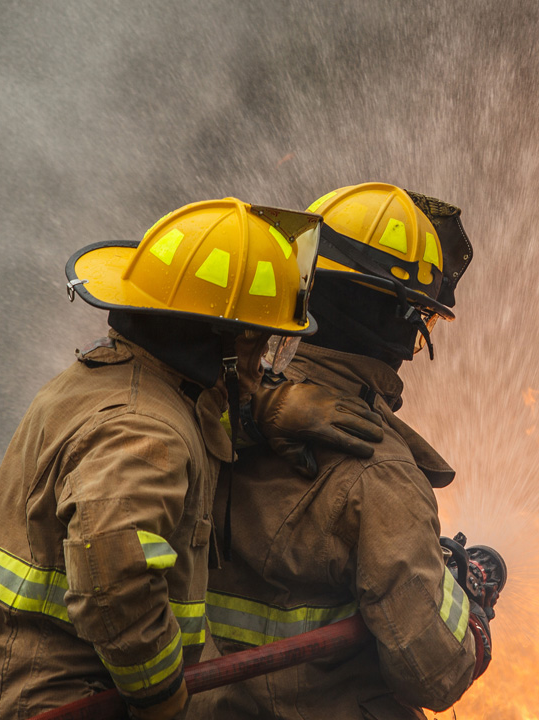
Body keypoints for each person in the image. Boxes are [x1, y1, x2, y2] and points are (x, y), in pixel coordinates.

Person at [0, 198, 384, 720]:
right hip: (55, 701)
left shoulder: (120, 380)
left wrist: (262, 408)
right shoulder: (143, 429)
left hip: (8, 680)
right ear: (223, 340)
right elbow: (115, 578)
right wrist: (160, 696)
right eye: (259, 345)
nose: (264, 363)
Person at [188, 183, 492, 720]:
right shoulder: (380, 477)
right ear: (404, 328)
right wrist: (469, 614)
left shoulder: (206, 408)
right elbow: (434, 674)